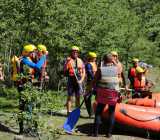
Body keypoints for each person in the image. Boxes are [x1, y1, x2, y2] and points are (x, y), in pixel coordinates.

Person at [16, 44, 46, 134]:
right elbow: (37, 67)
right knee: (24, 108)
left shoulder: (29, 59)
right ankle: (23, 130)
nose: (35, 53)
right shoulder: (24, 60)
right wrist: (44, 56)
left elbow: (38, 68)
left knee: (31, 107)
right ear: (28, 53)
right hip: (24, 88)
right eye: (33, 52)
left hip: (29, 86)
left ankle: (31, 129)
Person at [91, 54, 119, 138]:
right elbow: (118, 67)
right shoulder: (116, 68)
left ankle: (95, 133)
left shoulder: (100, 69)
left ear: (103, 60)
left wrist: (89, 90)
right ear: (112, 60)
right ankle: (109, 134)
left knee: (98, 112)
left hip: (103, 93)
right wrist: (114, 61)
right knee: (111, 112)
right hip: (113, 93)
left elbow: (94, 81)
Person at [64, 46, 85, 115]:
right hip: (71, 79)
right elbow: (64, 70)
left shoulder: (80, 60)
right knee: (70, 96)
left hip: (78, 79)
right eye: (74, 51)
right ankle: (69, 112)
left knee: (78, 96)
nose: (75, 53)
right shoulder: (68, 60)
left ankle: (77, 111)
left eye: (76, 52)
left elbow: (84, 72)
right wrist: (67, 62)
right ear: (71, 52)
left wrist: (81, 80)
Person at [85, 52, 97, 117]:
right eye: (94, 58)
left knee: (98, 97)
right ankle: (91, 113)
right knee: (87, 97)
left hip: (96, 83)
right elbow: (90, 73)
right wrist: (94, 79)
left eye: (95, 58)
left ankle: (97, 112)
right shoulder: (88, 64)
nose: (95, 59)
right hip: (90, 83)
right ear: (91, 58)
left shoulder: (95, 63)